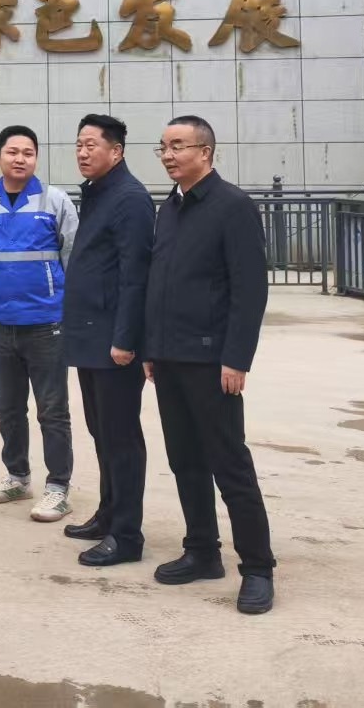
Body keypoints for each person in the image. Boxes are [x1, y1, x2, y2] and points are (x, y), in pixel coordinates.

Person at [142, 115, 277, 615]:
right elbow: (160, 281)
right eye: (163, 147)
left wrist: (236, 358)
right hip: (169, 357)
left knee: (229, 463)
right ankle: (201, 550)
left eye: (178, 146)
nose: (168, 155)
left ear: (206, 151)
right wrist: (151, 347)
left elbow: (250, 289)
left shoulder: (233, 206)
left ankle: (258, 568)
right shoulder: (170, 208)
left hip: (210, 360)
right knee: (185, 460)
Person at [0, 125, 80, 523]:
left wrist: (55, 294)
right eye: (12, 152)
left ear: (36, 158)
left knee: (52, 409)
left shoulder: (55, 200)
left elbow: (71, 252)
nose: (20, 159)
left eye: (28, 153)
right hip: (2, 322)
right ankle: (17, 477)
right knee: (8, 408)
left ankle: (58, 488)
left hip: (46, 322)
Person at [60, 114, 157, 568]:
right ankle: (108, 513)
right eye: (79, 144)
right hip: (89, 337)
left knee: (121, 438)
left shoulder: (130, 199)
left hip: (114, 343)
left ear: (116, 151)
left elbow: (135, 276)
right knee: (101, 432)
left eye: (91, 145)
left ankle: (127, 535)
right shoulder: (99, 193)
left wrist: (126, 339)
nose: (83, 152)